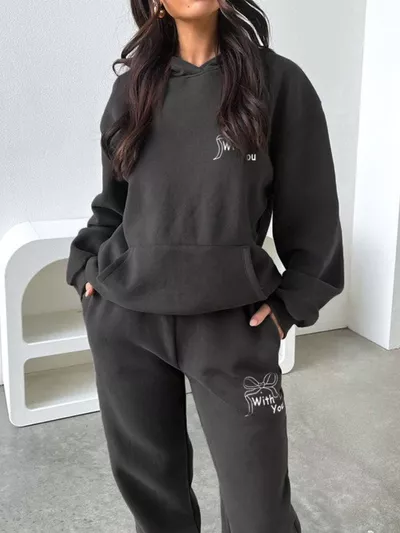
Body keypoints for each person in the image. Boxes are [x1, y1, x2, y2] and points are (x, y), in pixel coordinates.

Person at [66, 0, 344, 531]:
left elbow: (312, 211)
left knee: (260, 513)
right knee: (155, 499)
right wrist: (87, 272)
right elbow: (113, 207)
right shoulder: (131, 90)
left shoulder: (277, 84)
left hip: (231, 325)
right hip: (127, 320)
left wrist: (291, 305)